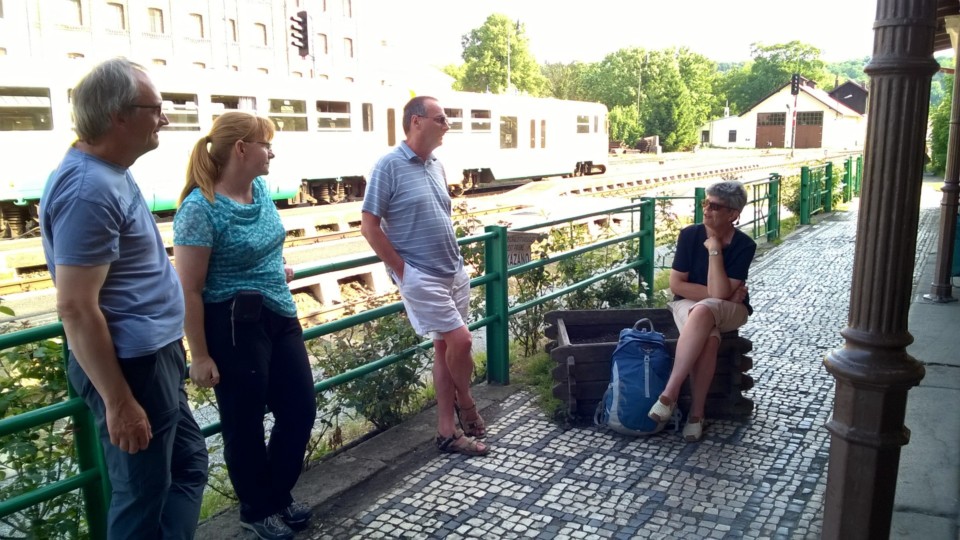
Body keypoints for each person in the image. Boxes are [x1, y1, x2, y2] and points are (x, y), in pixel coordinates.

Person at [39, 58, 208, 539]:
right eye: (155, 108)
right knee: (141, 499)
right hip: (133, 366)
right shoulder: (89, 189)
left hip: (153, 355)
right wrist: (119, 401)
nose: (164, 119)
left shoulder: (109, 171)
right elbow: (75, 306)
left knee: (188, 466)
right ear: (118, 115)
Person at [172, 111, 316, 540]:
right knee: (244, 422)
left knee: (300, 409)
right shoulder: (200, 208)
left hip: (280, 313)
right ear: (241, 148)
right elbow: (189, 288)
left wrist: (275, 266)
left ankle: (276, 493)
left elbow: (267, 244)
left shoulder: (261, 191)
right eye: (265, 144)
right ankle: (257, 509)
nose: (271, 152)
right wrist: (199, 355)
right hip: (233, 324)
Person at [360, 96, 489, 457]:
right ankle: (467, 404)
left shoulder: (436, 165)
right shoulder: (388, 165)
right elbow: (369, 226)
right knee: (461, 341)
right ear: (416, 121)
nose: (447, 125)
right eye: (441, 119)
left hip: (452, 270)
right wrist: (403, 272)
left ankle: (446, 433)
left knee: (444, 348)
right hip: (422, 275)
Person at [647, 181, 756, 442]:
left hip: (732, 310)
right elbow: (677, 285)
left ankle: (670, 394)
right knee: (708, 331)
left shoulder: (744, 245)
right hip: (687, 304)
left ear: (733, 214)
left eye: (715, 206)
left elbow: (718, 295)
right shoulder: (689, 235)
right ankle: (696, 415)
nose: (706, 209)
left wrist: (714, 248)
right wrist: (723, 294)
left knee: (706, 308)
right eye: (705, 203)